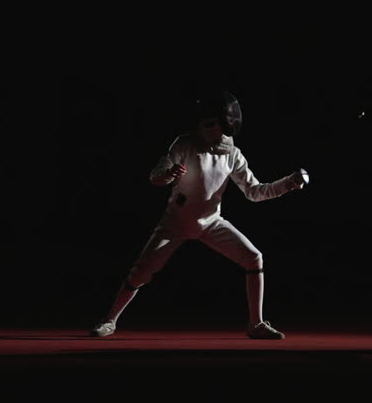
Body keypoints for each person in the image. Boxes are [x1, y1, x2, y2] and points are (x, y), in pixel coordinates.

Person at [90, 91, 309, 339]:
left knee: (254, 258)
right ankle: (109, 321)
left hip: (211, 223)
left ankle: (255, 324)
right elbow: (156, 175)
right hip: (175, 222)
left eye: (218, 126)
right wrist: (169, 174)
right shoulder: (185, 144)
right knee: (141, 272)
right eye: (209, 125)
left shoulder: (233, 155)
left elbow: (255, 192)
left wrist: (288, 184)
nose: (215, 132)